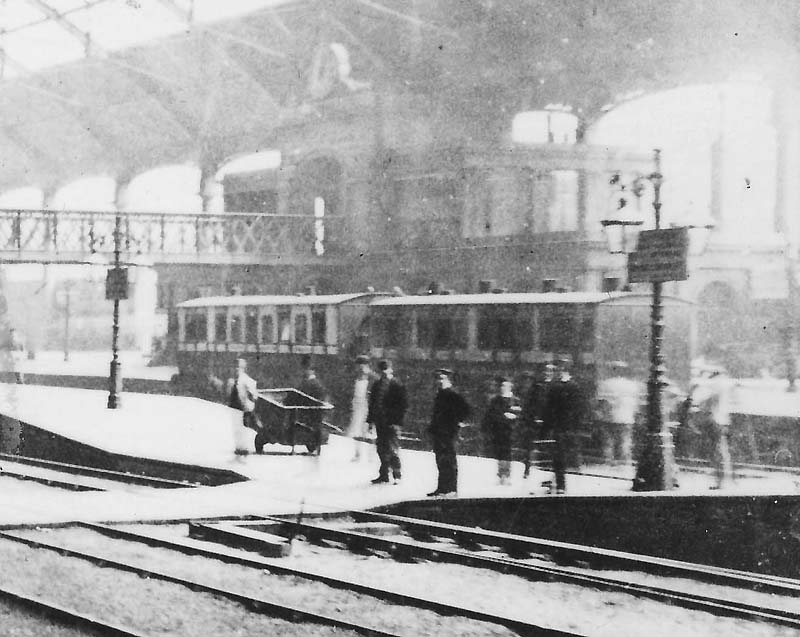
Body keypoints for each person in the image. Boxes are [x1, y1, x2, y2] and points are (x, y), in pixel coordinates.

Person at [541, 359, 583, 494]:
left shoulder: (555, 387)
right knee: (562, 455)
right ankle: (558, 483)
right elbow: (579, 409)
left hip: (559, 426)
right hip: (569, 426)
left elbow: (549, 409)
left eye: (558, 369)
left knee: (558, 455)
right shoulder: (575, 386)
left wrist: (545, 427)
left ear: (562, 370)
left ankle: (559, 484)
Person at [427, 368, 471, 497]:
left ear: (448, 380)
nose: (439, 381)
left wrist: (458, 423)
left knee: (449, 461)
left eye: (442, 379)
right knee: (441, 461)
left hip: (449, 432)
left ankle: (451, 488)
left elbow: (466, 410)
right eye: (437, 379)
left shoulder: (453, 394)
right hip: (439, 432)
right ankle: (442, 488)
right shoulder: (440, 394)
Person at [366, 359, 407, 485]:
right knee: (381, 448)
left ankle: (397, 474)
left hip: (392, 422)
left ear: (391, 370)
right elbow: (372, 404)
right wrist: (371, 421)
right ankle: (384, 474)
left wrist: (397, 422)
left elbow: (403, 406)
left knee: (392, 448)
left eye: (386, 369)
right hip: (380, 421)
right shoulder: (376, 385)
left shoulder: (397, 386)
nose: (384, 373)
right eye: (382, 370)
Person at [596, 362, 642, 465]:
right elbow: (636, 403)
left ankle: (608, 461)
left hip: (609, 417)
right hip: (626, 417)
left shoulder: (605, 384)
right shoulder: (632, 385)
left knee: (608, 441)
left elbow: (601, 402)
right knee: (625, 440)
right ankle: (625, 462)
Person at [482, 376, 520, 485]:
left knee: (507, 453)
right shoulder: (496, 400)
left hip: (511, 430)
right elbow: (491, 415)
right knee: (500, 452)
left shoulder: (515, 400)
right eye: (502, 385)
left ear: (510, 386)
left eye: (506, 385)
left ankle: (506, 475)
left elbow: (520, 414)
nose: (503, 387)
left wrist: (514, 417)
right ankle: (501, 474)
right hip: (499, 430)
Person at [227, 358, 262, 455]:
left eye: (238, 367)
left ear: (243, 368)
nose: (236, 369)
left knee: (243, 428)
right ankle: (238, 447)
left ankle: (243, 447)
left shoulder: (245, 379)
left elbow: (254, 393)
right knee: (236, 428)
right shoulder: (232, 381)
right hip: (234, 408)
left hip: (244, 408)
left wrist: (251, 401)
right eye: (235, 367)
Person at [519, 368, 547, 479]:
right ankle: (528, 468)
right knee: (529, 446)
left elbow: (541, 404)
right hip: (530, 420)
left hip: (538, 419)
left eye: (528, 379)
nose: (527, 381)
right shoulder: (531, 390)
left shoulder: (537, 389)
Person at [347, 355, 375, 461]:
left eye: (362, 365)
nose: (360, 368)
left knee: (369, 431)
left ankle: (371, 455)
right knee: (356, 430)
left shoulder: (373, 378)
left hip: (369, 407)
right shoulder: (354, 378)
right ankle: (357, 453)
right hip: (357, 406)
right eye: (358, 366)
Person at [297, 365, 330, 454]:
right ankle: (316, 446)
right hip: (315, 410)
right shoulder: (315, 383)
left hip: (311, 411)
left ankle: (315, 446)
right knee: (316, 426)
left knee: (314, 427)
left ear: (312, 371)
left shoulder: (311, 384)